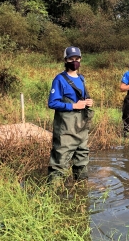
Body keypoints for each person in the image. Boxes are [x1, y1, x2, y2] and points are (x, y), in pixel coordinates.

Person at [47, 46, 93, 182]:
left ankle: (81, 189)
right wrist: (73, 105)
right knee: (60, 160)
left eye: (77, 58)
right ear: (65, 60)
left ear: (80, 59)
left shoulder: (81, 78)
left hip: (81, 126)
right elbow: (52, 103)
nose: (74, 61)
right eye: (71, 59)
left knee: (82, 158)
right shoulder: (59, 79)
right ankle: (52, 195)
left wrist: (88, 102)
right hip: (66, 128)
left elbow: (81, 98)